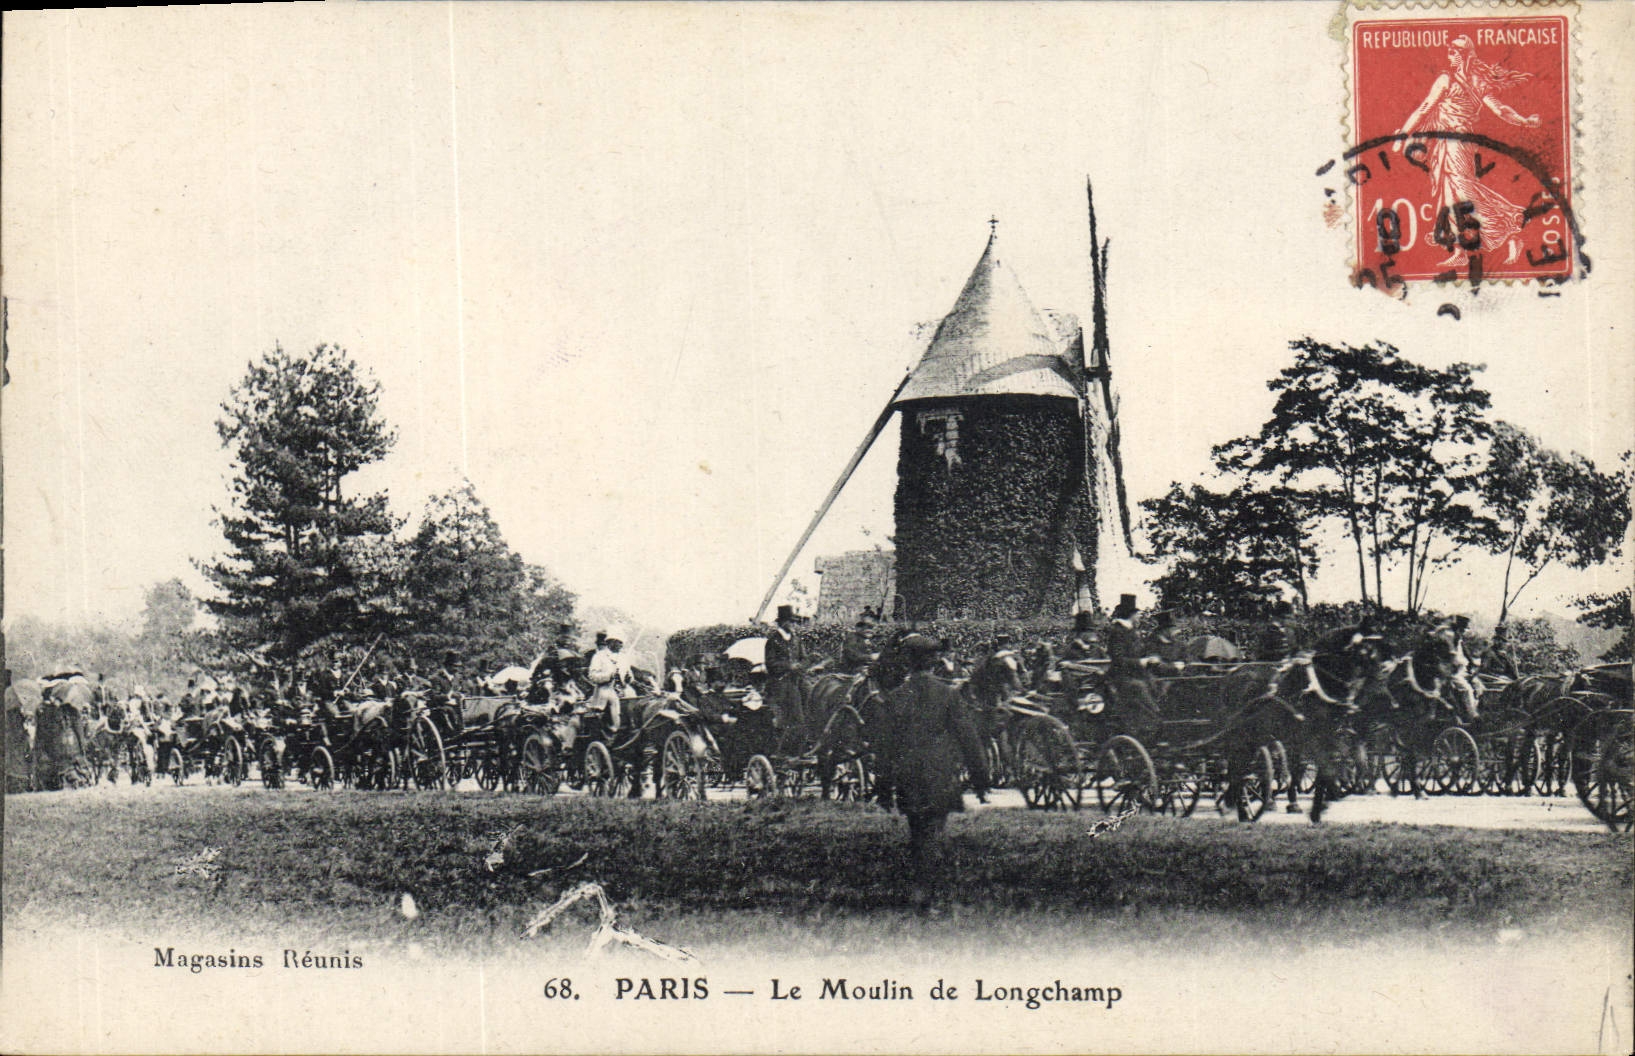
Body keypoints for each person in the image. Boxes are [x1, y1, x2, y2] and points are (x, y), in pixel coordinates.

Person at [1392, 35, 1542, 266]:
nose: (1449, 57)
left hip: (1459, 144)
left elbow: (1500, 109)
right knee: (1450, 193)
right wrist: (1404, 133)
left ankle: (1511, 226)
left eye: (1453, 53)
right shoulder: (1452, 80)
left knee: (1463, 194)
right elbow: (1425, 108)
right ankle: (1461, 250)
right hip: (1446, 144)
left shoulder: (1465, 81)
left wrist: (1524, 121)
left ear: (1463, 55)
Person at [875, 634, 990, 911]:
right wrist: (980, 778)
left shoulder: (895, 697)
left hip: (908, 776)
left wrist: (882, 787)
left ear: (908, 663)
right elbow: (968, 739)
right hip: (940, 775)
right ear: (933, 662)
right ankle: (927, 894)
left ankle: (922, 890)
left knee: (918, 831)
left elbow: (885, 748)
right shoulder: (948, 695)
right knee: (933, 832)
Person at [1105, 594, 1166, 729]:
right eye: (1137, 614)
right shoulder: (1117, 632)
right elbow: (1118, 659)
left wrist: (1151, 658)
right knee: (1139, 687)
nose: (1139, 617)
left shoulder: (1133, 632)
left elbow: (1141, 652)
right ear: (1131, 615)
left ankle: (1160, 717)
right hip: (1121, 677)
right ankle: (1153, 719)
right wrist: (1140, 663)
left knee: (1159, 684)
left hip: (1136, 674)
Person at [763, 605, 808, 748]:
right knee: (795, 711)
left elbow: (803, 658)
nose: (794, 624)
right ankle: (791, 745)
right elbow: (770, 663)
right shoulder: (773, 640)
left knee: (811, 693)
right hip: (780, 682)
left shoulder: (796, 639)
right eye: (791, 621)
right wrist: (789, 666)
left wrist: (807, 665)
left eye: (795, 622)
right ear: (782, 622)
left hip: (796, 679)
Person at [587, 628, 633, 737]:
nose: (621, 646)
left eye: (622, 643)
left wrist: (629, 678)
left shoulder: (623, 657)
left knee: (633, 696)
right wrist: (608, 676)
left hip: (622, 687)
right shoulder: (599, 656)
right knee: (613, 698)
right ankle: (615, 728)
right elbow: (592, 676)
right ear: (611, 642)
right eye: (619, 643)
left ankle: (632, 724)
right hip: (605, 688)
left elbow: (629, 674)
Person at [840, 609, 879, 675]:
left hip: (871, 667)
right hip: (853, 669)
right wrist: (870, 657)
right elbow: (852, 655)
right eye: (866, 627)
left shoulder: (873, 640)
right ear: (859, 628)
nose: (869, 630)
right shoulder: (852, 637)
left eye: (871, 628)